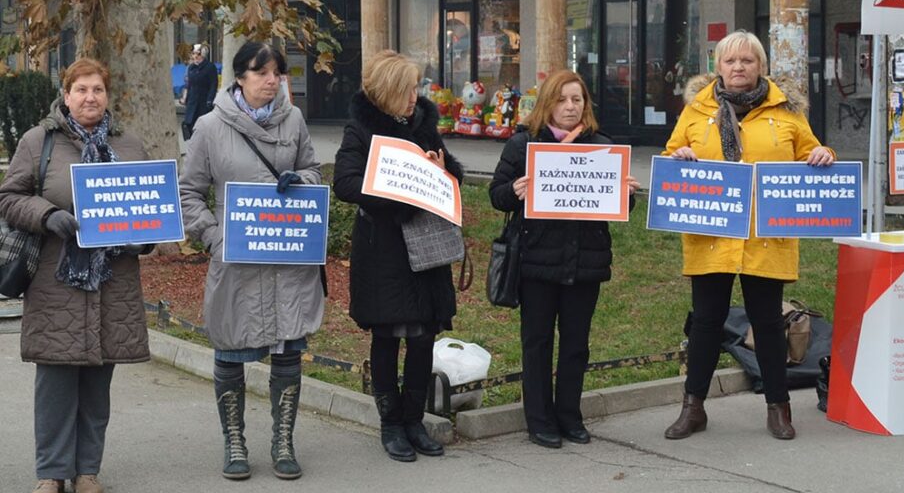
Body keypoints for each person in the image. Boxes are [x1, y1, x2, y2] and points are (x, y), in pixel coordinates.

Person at [662, 30, 835, 441]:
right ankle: (694, 408)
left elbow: (811, 152)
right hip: (712, 235)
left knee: (769, 323)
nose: (738, 68)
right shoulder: (696, 111)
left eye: (747, 61)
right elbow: (671, 154)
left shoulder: (786, 111)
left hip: (766, 236)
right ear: (717, 67)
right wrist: (679, 156)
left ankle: (779, 408)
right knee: (705, 323)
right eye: (730, 61)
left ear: (761, 66)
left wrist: (823, 154)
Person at [0, 58, 151, 493]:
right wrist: (48, 216)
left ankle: (87, 470)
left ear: (108, 96)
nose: (90, 97)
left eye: (98, 90)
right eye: (81, 89)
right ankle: (51, 472)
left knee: (97, 383)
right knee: (55, 381)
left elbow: (148, 209)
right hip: (56, 279)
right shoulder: (39, 142)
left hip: (113, 282)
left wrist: (142, 238)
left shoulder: (129, 145)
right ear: (65, 95)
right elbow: (9, 198)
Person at [179, 41, 323, 480]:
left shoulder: (293, 119)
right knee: (230, 349)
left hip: (287, 258)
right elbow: (188, 192)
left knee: (288, 349)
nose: (272, 81)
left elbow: (315, 171)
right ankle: (235, 441)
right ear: (239, 77)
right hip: (236, 262)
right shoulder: (209, 126)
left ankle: (283, 441)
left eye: (277, 73)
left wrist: (303, 180)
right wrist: (214, 237)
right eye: (262, 73)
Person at [488, 69, 639, 449]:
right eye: (562, 99)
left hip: (585, 262)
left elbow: (618, 206)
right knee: (536, 342)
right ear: (547, 104)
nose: (570, 107)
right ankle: (539, 420)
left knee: (576, 343)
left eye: (577, 100)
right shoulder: (523, 146)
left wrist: (626, 194)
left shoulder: (603, 146)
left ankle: (570, 416)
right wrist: (514, 190)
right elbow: (496, 194)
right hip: (536, 261)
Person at [333, 50, 463, 462]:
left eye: (416, 88)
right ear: (388, 92)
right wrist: (397, 193)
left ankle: (414, 420)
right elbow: (345, 182)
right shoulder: (360, 129)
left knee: (424, 336)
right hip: (384, 250)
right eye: (407, 89)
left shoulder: (423, 123)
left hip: (425, 248)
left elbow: (455, 173)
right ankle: (391, 425)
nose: (414, 96)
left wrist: (441, 168)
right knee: (388, 336)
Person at [180, 43, 218, 140]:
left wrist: (210, 100)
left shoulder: (210, 67)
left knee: (202, 127)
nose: (195, 56)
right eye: (193, 54)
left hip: (203, 101)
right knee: (189, 124)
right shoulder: (191, 68)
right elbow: (188, 85)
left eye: (198, 54)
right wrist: (185, 98)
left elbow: (213, 85)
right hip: (192, 100)